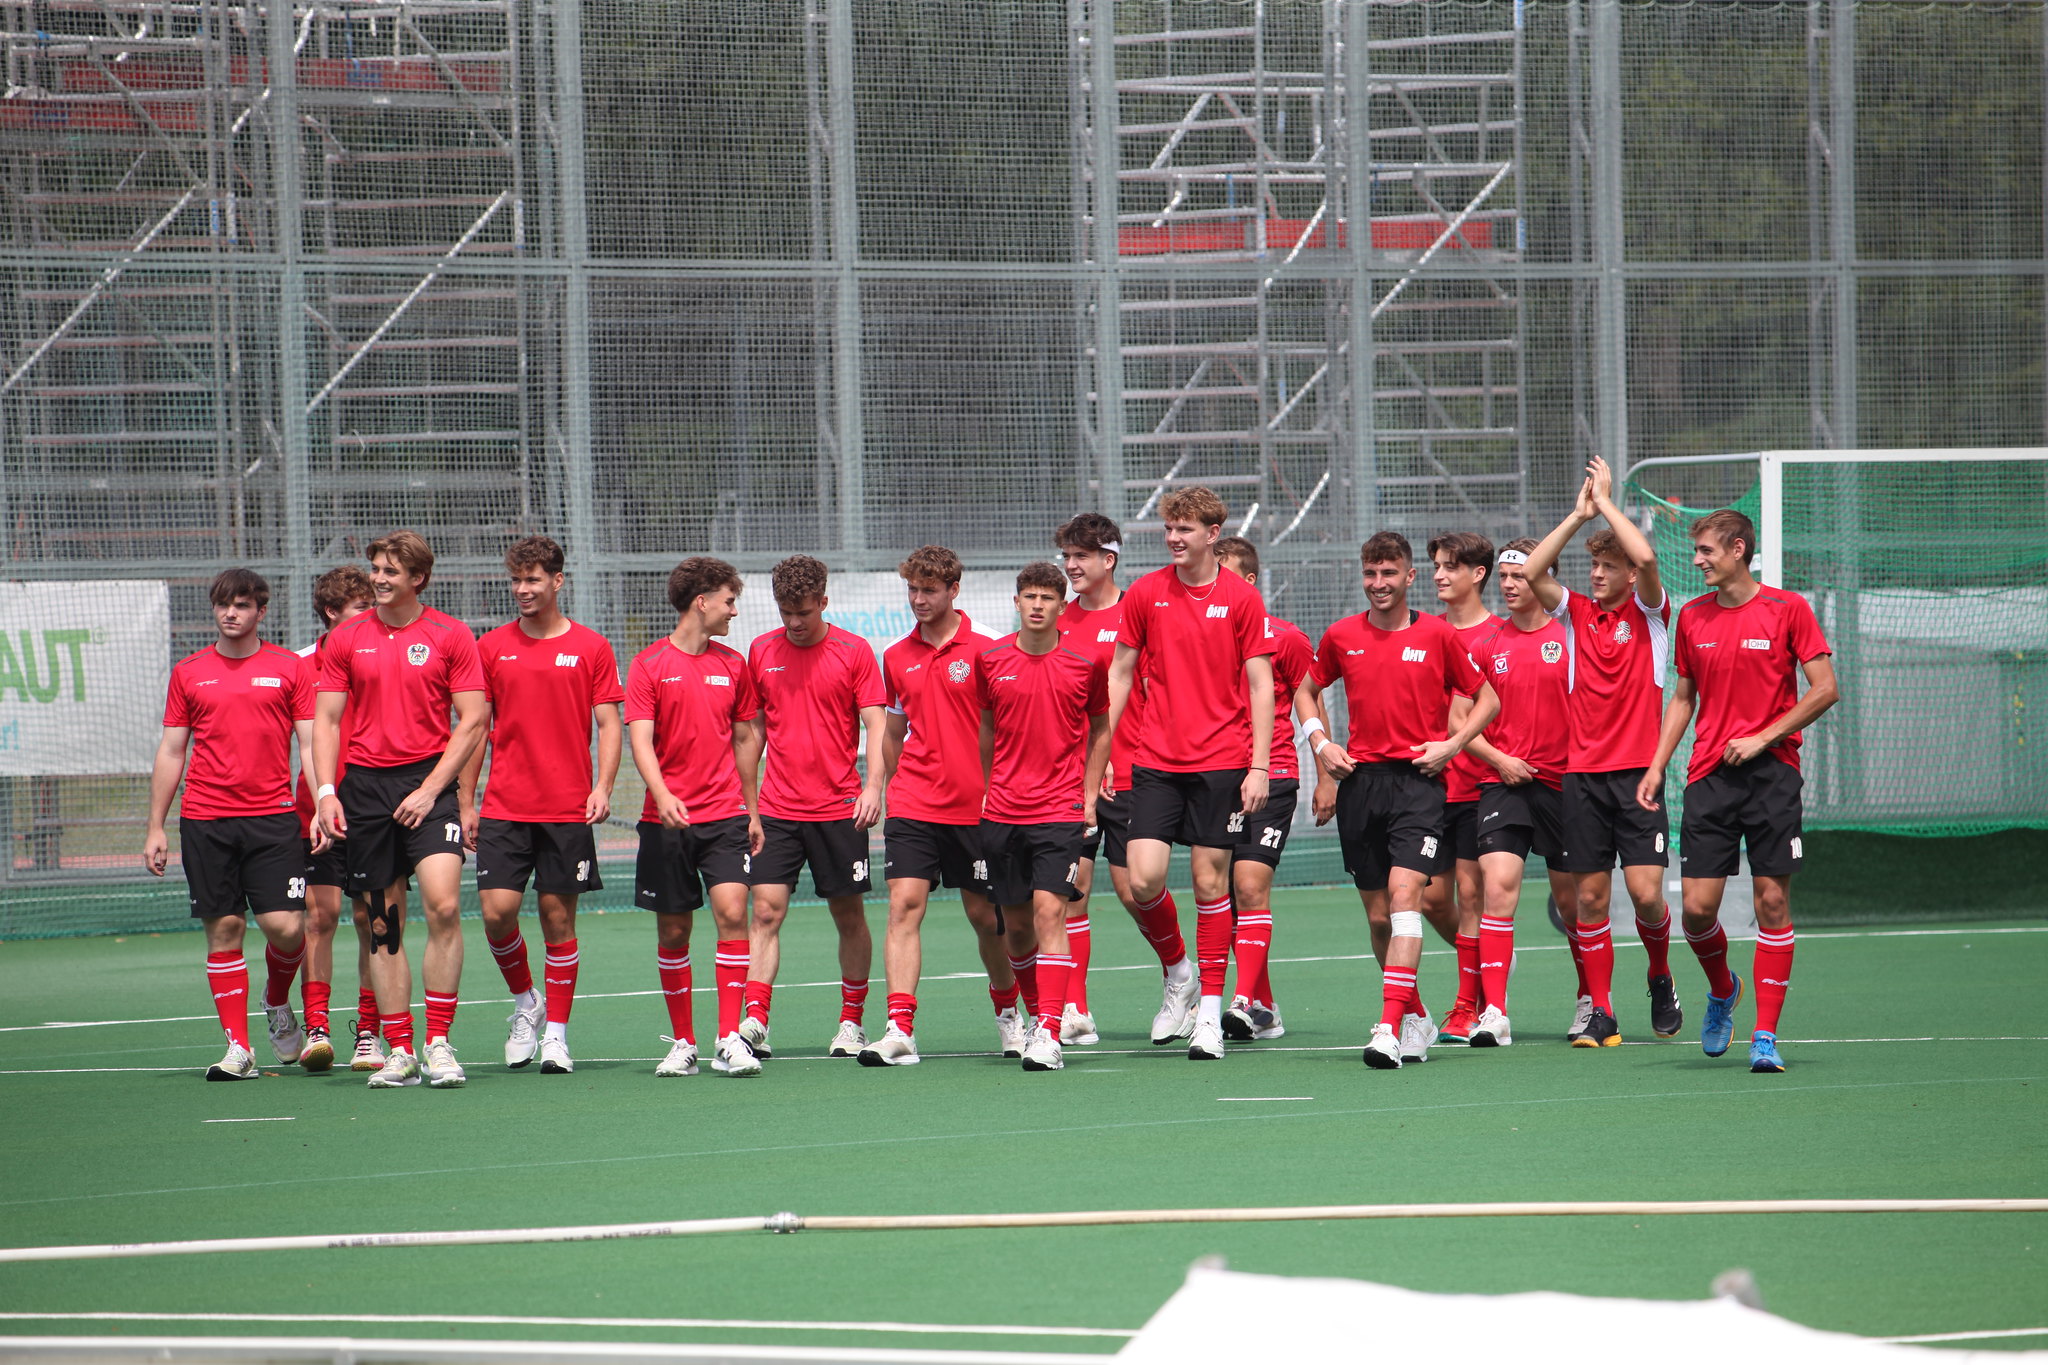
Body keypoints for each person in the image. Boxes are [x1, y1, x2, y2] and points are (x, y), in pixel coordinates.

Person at [1637, 510, 1838, 1073]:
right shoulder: (1692, 616)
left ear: (1738, 550)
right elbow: (1683, 698)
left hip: (1773, 775)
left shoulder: (1788, 609)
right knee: (1697, 912)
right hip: (1709, 777)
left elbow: (1825, 689)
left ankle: (1765, 1037)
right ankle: (1724, 989)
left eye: (1706, 550)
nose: (1697, 560)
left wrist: (1763, 737)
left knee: (1771, 902)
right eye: (1697, 550)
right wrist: (1656, 765)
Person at [1296, 532, 1499, 1070]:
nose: (1378, 583)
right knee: (1380, 918)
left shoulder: (1438, 634)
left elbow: (1487, 698)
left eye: (1389, 573)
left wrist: (1453, 745)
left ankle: (1387, 1027)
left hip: (1418, 785)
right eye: (1370, 573)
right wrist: (1321, 743)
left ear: (1410, 577)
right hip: (1360, 786)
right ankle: (1416, 1016)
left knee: (1406, 896)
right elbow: (1305, 691)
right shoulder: (1341, 635)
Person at [1103, 487, 1276, 1062]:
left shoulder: (1241, 598)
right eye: (1169, 528)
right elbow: (1120, 675)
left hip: (1222, 763)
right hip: (1155, 761)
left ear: (1212, 534)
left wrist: (1258, 766)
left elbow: (1261, 684)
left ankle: (1208, 1018)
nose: (1174, 538)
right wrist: (1100, 754)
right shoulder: (1146, 593)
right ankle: (1180, 972)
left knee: (1209, 885)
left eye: (1185, 529)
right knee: (1143, 881)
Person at [312, 531, 489, 1089]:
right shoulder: (346, 638)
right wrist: (326, 792)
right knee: (382, 926)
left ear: (419, 578)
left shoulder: (451, 634)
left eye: (391, 571)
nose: (379, 579)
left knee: (443, 906)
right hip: (365, 791)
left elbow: (474, 720)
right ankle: (401, 1049)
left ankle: (439, 1043)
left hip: (428, 787)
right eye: (377, 569)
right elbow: (326, 722)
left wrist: (432, 789)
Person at [1522, 457, 1682, 1048]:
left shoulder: (1651, 615)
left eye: (1607, 567)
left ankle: (1660, 975)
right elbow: (1533, 570)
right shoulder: (1574, 614)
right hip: (1582, 778)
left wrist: (1609, 503)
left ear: (1628, 576)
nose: (1595, 574)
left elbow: (1647, 560)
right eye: (1592, 565)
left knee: (1645, 895)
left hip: (1639, 778)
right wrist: (1579, 514)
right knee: (1588, 899)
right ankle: (1602, 1011)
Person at [460, 536, 623, 1076]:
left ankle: (557, 1036)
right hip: (505, 806)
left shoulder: (592, 647)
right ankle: (526, 1001)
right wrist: (466, 800)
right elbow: (475, 730)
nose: (522, 589)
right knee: (496, 914)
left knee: (558, 919)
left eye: (532, 579)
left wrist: (603, 787)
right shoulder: (490, 647)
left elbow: (609, 724)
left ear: (557, 581)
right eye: (516, 580)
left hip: (566, 809)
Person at [145, 569, 317, 1081]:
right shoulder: (189, 671)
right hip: (206, 819)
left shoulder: (289, 668)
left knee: (286, 928)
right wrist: (155, 826)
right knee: (224, 930)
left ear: (261, 611)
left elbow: (311, 744)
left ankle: (276, 997)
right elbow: (172, 750)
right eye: (223, 604)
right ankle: (239, 1049)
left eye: (241, 605)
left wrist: (324, 801)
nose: (230, 613)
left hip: (273, 818)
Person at [862, 546, 1019, 1067]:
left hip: (980, 809)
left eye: (928, 590)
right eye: (912, 589)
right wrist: (888, 785)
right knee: (903, 906)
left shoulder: (991, 648)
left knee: (986, 919)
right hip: (914, 804)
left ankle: (1009, 1013)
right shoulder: (895, 655)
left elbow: (1011, 726)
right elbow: (893, 731)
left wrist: (1002, 790)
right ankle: (899, 1029)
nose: (918, 599)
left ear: (954, 590)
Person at [624, 557, 768, 1079]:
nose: (734, 612)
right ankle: (683, 1042)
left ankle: (728, 1038)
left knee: (732, 913)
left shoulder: (734, 665)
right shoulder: (648, 665)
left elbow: (746, 739)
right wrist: (662, 795)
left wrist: (752, 810)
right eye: (729, 601)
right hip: (666, 821)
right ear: (701, 602)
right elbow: (640, 739)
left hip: (726, 815)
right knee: (673, 931)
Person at [742, 555, 887, 1061]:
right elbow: (754, 731)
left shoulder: (854, 650)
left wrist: (874, 787)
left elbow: (876, 723)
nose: (794, 622)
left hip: (840, 809)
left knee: (848, 915)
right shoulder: (761, 651)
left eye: (803, 611)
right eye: (785, 612)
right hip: (777, 809)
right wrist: (748, 804)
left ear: (823, 602)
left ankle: (851, 1023)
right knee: (764, 911)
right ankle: (755, 1021)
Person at [977, 563, 1112, 1073]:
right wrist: (988, 789)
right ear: (1017, 602)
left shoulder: (1086, 662)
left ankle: (1050, 1031)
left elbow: (1101, 729)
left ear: (1060, 606)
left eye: (1047, 597)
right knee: (1015, 928)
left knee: (1050, 915)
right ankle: (1038, 1016)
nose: (1037, 605)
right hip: (1003, 812)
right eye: (1029, 596)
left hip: (1059, 811)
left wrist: (1089, 795)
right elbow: (987, 729)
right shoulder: (991, 660)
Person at [1055, 512, 1179, 1047]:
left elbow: (1157, 693)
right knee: (1071, 892)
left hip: (1133, 775)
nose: (1071, 565)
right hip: (1070, 782)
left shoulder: (1140, 613)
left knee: (1134, 892)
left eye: (1081, 556)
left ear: (1109, 559)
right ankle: (1076, 1010)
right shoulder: (1058, 619)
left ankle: (1179, 975)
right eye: (1067, 555)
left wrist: (1114, 756)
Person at [1466, 539, 1578, 1048]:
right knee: (1498, 888)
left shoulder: (1572, 637)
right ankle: (1495, 1012)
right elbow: (1461, 720)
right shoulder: (1486, 644)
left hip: (1564, 786)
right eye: (1505, 576)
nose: (1510, 584)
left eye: (1521, 575)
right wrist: (1499, 760)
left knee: (1572, 904)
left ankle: (1590, 998)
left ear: (1546, 577)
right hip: (1502, 783)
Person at [1213, 536, 1313, 1043]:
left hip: (1272, 775)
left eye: (1225, 574)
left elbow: (1309, 699)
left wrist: (1327, 773)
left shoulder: (1286, 638)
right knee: (1225, 896)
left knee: (1250, 887)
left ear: (1250, 582)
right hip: (1212, 778)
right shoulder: (1202, 634)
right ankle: (1265, 1007)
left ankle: (1242, 1000)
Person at [292, 565, 388, 1073]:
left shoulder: (383, 653)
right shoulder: (299, 665)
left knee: (372, 920)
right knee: (319, 917)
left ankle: (369, 1033)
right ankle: (317, 1029)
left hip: (373, 807)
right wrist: (319, 801)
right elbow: (306, 743)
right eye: (361, 607)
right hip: (317, 810)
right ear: (332, 612)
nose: (373, 614)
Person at [1423, 531, 1504, 1042]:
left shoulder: (1499, 634)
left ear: (1477, 574)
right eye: (1436, 565)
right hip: (1429, 789)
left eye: (1450, 566)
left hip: (1481, 787)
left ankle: (1465, 1004)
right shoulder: (1424, 631)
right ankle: (1485, 962)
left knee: (1472, 895)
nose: (1439, 575)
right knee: (1433, 901)